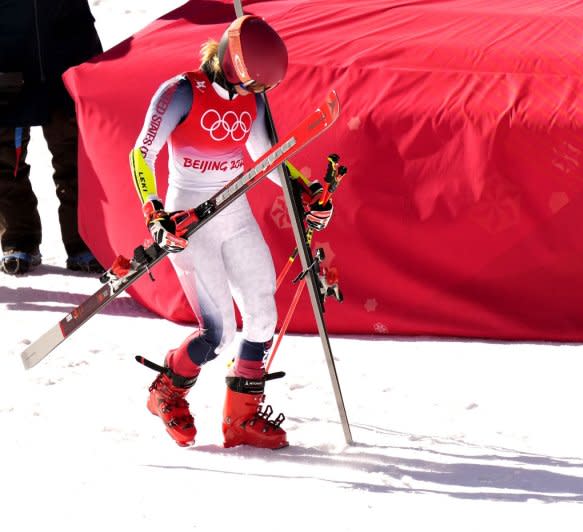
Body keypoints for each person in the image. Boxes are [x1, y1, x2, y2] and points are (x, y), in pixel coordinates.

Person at [130, 15, 334, 449]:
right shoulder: (180, 92)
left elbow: (266, 157)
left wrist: (303, 191)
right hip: (190, 216)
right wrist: (155, 213)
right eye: (254, 86)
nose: (256, 96)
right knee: (217, 334)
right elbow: (141, 154)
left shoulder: (252, 101)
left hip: (234, 210)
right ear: (232, 64)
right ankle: (167, 389)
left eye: (263, 90)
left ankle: (240, 418)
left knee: (262, 314)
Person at [0, 0, 105, 275]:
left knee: (76, 156)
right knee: (6, 159)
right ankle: (18, 239)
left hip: (67, 50)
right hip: (8, 55)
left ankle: (84, 241)